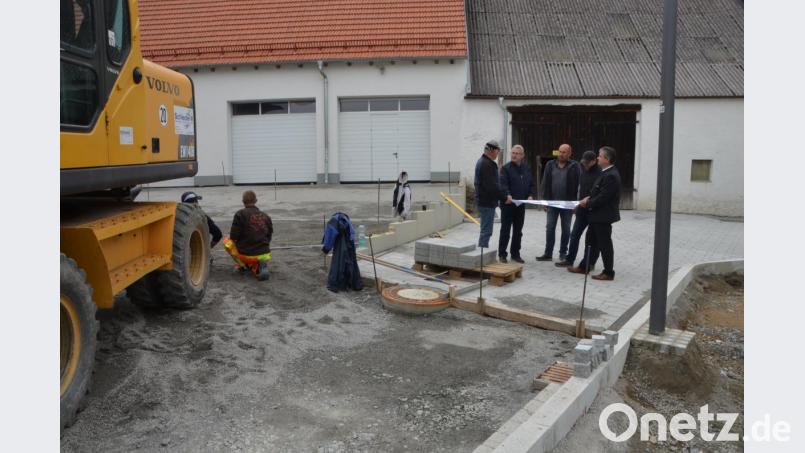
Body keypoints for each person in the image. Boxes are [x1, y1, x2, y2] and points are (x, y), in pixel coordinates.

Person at [569, 146, 621, 281]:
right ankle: (584, 266)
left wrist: (588, 202)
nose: (598, 157)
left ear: (607, 159)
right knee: (590, 241)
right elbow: (597, 191)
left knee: (604, 244)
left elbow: (604, 197)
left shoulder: (611, 175)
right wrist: (588, 198)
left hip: (603, 216)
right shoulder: (605, 172)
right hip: (596, 216)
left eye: (600, 156)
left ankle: (608, 272)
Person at [536, 144, 580, 263]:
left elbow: (579, 185)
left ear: (569, 153)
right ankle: (548, 253)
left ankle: (563, 253)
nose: (561, 154)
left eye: (564, 152)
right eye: (560, 151)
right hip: (552, 203)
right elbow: (544, 182)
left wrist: (576, 203)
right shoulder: (550, 165)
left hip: (567, 204)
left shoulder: (575, 166)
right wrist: (544, 200)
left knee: (566, 229)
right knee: (550, 227)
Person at [555, 151, 601, 268]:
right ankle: (569, 259)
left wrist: (589, 199)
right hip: (581, 209)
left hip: (594, 210)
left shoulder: (600, 173)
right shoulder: (583, 169)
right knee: (574, 234)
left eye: (587, 162)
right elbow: (580, 188)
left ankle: (590, 263)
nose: (585, 164)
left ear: (594, 161)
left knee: (592, 239)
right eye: (583, 162)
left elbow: (600, 192)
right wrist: (576, 203)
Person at [224, 190, 273, 281]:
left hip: (247, 254)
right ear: (256, 201)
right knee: (258, 247)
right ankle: (258, 265)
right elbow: (269, 235)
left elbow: (233, 236)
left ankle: (244, 266)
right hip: (265, 253)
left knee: (227, 242)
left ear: (243, 201)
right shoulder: (266, 216)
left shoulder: (240, 214)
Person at [498, 145, 534, 263]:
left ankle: (515, 254)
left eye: (517, 153)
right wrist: (507, 194)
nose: (514, 155)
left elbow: (530, 184)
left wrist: (530, 194)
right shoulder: (506, 168)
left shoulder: (526, 168)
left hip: (520, 205)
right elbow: (503, 184)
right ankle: (502, 254)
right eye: (513, 153)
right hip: (508, 204)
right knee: (505, 230)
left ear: (522, 156)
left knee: (518, 231)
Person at [474, 140, 511, 249]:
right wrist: (504, 198)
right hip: (486, 202)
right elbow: (492, 186)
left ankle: (482, 252)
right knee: (486, 231)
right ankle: (482, 254)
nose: (498, 154)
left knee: (485, 229)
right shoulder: (487, 164)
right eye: (497, 151)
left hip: (484, 201)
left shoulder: (482, 162)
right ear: (492, 151)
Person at [322, 212, 363, 292]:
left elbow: (330, 235)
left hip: (339, 245)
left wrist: (326, 248)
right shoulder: (347, 219)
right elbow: (352, 233)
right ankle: (355, 284)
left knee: (338, 263)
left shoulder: (333, 220)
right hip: (350, 244)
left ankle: (335, 285)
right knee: (351, 263)